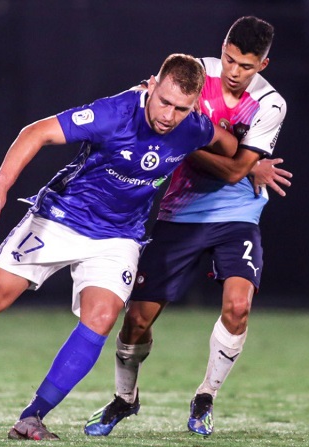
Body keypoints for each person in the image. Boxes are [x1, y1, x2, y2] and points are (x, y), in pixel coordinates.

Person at [0, 53, 239, 440]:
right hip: (62, 217)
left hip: (119, 236)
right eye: (164, 102)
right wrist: (1, 183)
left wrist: (250, 165)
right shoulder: (114, 113)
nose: (169, 116)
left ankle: (32, 417)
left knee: (102, 317)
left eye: (181, 108)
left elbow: (229, 144)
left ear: (194, 106)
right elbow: (36, 132)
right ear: (152, 85)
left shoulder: (194, 127)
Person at [84, 16, 290, 438]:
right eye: (229, 59)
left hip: (238, 214)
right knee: (136, 321)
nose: (234, 72)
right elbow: (151, 116)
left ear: (263, 66)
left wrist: (182, 140)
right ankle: (124, 399)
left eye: (246, 66)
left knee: (238, 307)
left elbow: (236, 172)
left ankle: (205, 397)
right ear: (222, 48)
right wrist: (176, 133)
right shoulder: (193, 74)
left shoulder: (270, 104)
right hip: (180, 211)